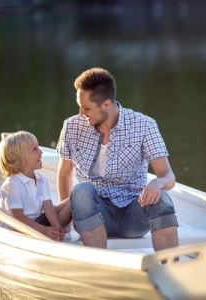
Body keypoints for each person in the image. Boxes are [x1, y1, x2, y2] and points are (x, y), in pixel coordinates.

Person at [56, 67, 179, 251]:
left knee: (162, 197)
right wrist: (64, 224)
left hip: (133, 215)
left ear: (106, 104)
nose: (81, 113)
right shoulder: (72, 127)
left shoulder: (144, 125)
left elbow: (168, 176)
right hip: (95, 213)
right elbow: (64, 174)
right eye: (80, 106)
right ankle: (100, 264)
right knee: (82, 190)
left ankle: (172, 270)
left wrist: (158, 183)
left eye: (87, 108)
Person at [0, 131, 72, 241]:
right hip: (19, 230)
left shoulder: (41, 179)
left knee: (75, 198)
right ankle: (51, 233)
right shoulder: (12, 184)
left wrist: (57, 225)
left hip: (38, 222)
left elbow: (48, 206)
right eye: (34, 149)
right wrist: (44, 230)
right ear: (20, 158)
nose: (41, 152)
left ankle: (58, 231)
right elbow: (19, 218)